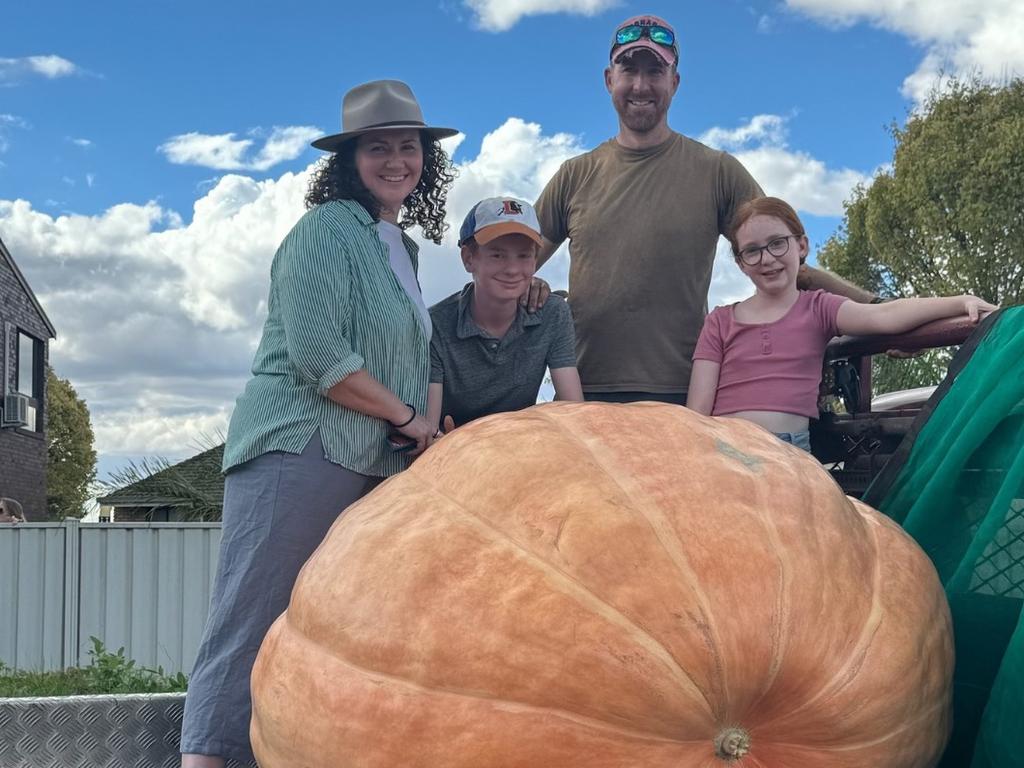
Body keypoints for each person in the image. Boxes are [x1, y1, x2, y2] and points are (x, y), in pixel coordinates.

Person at [179, 80, 458, 768]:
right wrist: (407, 418)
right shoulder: (325, 230)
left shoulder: (399, 246)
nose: (396, 160)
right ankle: (206, 758)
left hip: (365, 458)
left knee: (330, 630)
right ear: (347, 161)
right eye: (377, 148)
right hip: (299, 447)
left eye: (408, 147)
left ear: (427, 161)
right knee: (252, 619)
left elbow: (403, 353)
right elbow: (318, 354)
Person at [531, 13, 876, 405]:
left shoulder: (717, 171)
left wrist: (876, 311)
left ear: (674, 83)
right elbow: (514, 265)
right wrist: (530, 284)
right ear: (609, 80)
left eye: (655, 72)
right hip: (582, 393)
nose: (641, 85)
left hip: (686, 395)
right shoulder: (575, 174)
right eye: (629, 70)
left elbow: (785, 261)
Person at [686, 196, 997, 450]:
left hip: (788, 452)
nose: (767, 258)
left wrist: (959, 302)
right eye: (752, 251)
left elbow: (885, 315)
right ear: (741, 264)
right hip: (725, 447)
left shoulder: (819, 308)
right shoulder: (720, 322)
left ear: (801, 246)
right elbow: (697, 410)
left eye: (777, 243)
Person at [427, 197, 583, 431]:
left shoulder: (552, 312)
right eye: (497, 255)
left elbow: (573, 410)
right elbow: (430, 428)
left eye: (524, 256)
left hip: (524, 444)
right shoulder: (435, 325)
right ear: (468, 258)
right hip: (455, 449)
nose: (512, 270)